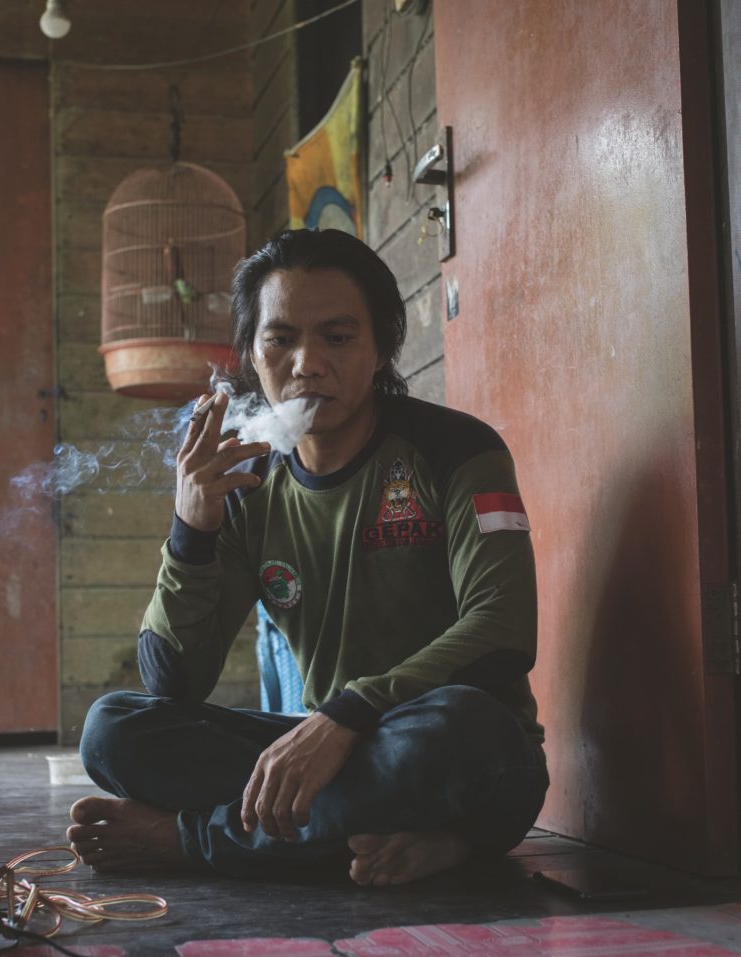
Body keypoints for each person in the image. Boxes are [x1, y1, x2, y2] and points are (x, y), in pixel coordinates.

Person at [67, 228, 549, 886]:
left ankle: (194, 842)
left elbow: (503, 631)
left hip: (449, 745)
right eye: (280, 339)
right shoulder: (248, 485)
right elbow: (173, 683)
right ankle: (408, 836)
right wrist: (190, 532)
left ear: (381, 348)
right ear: (250, 353)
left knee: (463, 728)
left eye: (338, 338)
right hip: (331, 748)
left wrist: (345, 714)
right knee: (113, 728)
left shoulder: (455, 449)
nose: (307, 364)